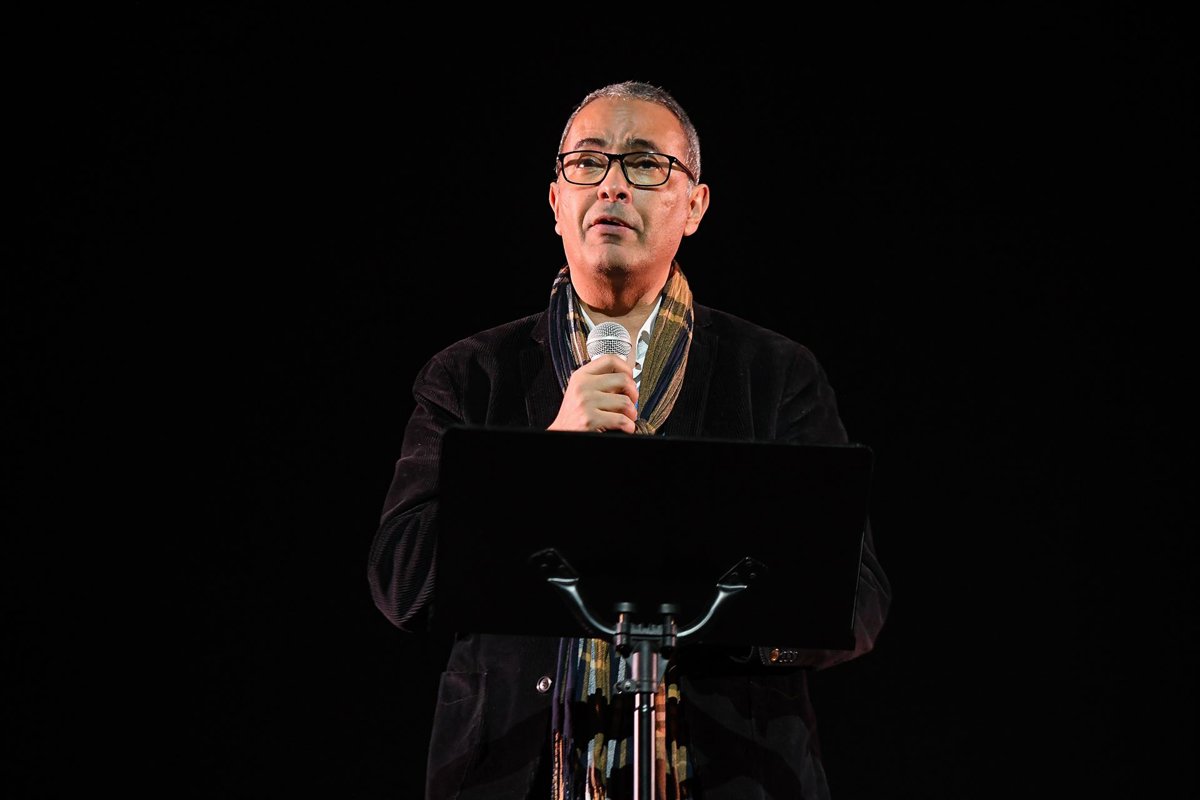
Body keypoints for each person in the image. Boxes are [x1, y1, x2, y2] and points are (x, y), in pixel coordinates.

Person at [369, 80, 891, 800]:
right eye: (588, 162)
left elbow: (857, 599)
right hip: (515, 770)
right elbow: (401, 583)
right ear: (556, 200)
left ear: (694, 206)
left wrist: (702, 602)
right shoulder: (469, 375)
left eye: (646, 164)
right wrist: (545, 460)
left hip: (731, 773)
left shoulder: (773, 375)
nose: (611, 185)